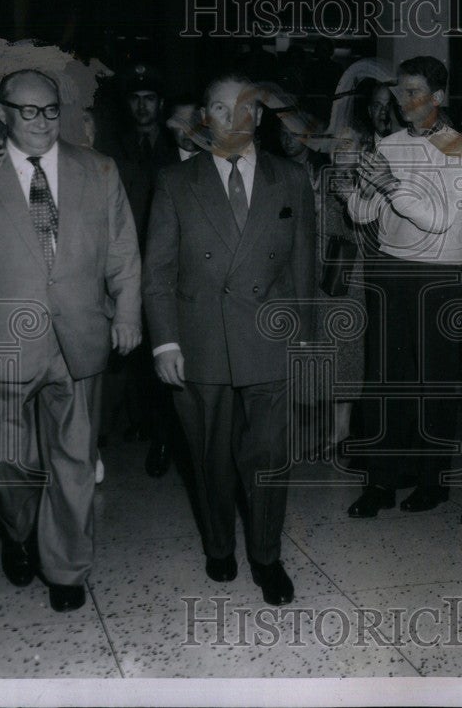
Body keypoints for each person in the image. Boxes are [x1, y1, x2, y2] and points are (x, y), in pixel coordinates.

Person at [0, 69, 142, 612]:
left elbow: (122, 249)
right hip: (3, 341)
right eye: (27, 111)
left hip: (80, 336)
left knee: (75, 460)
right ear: (3, 113)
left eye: (50, 109)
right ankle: (20, 530)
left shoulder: (98, 169)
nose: (41, 121)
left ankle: (67, 569)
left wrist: (127, 311)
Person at [143, 73, 315, 606]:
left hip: (270, 335)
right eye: (220, 109)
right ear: (205, 118)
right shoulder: (176, 181)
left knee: (268, 458)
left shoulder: (291, 178)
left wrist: (305, 335)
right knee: (209, 456)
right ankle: (219, 545)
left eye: (245, 109)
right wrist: (165, 342)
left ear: (259, 117)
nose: (234, 119)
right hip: (202, 339)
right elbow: (159, 271)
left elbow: (303, 263)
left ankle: (266, 556)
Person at [344, 56, 462, 517]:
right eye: (399, 91)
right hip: (392, 268)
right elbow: (363, 216)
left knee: (431, 382)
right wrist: (361, 190)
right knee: (384, 379)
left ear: (437, 98)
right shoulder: (389, 143)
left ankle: (431, 481)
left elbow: (438, 221)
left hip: (437, 275)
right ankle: (381, 481)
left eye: (413, 91)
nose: (402, 100)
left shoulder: (456, 147)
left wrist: (389, 185)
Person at [107, 64, 184, 477]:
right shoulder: (111, 148)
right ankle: (139, 422)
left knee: (165, 347)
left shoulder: (176, 148)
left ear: (161, 104)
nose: (142, 106)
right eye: (135, 99)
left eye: (149, 98)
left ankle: (164, 437)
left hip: (167, 266)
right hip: (124, 262)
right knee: (132, 353)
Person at [278, 109, 365, 454]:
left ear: (363, 146)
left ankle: (340, 432)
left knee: (346, 352)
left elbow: (364, 231)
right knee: (323, 351)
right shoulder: (319, 173)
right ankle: (331, 430)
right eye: (335, 141)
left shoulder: (362, 179)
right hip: (316, 273)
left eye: (349, 142)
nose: (341, 147)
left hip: (349, 274)